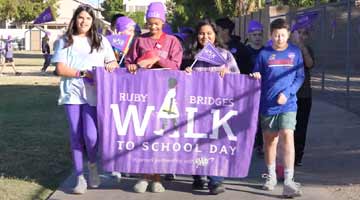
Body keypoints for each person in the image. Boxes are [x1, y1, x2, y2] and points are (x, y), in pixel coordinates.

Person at [51, 5, 118, 194]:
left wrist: (111, 65)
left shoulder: (101, 40)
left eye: (88, 18)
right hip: (72, 93)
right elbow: (60, 69)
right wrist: (83, 74)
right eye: (81, 17)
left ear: (93, 21)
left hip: (94, 95)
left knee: (91, 135)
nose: (84, 22)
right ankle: (80, 178)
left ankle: (92, 167)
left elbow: (110, 61)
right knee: (75, 134)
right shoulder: (65, 40)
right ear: (75, 19)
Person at [125, 2, 183, 193]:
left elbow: (176, 66)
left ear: (163, 21)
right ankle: (143, 176)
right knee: (143, 134)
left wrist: (157, 59)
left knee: (160, 136)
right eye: (150, 23)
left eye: (157, 22)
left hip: (165, 95)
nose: (153, 26)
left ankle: (157, 177)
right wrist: (131, 66)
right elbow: (129, 61)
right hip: (143, 95)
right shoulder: (140, 41)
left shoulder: (173, 41)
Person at [250, 18, 304, 198]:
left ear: (288, 35)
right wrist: (256, 75)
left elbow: (299, 77)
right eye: (276, 35)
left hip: (288, 104)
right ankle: (271, 175)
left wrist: (287, 93)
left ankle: (289, 180)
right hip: (267, 104)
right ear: (271, 35)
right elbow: (256, 74)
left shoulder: (295, 53)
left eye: (282, 35)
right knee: (270, 141)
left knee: (288, 136)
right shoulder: (264, 54)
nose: (279, 38)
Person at [184, 18, 239, 195]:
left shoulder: (225, 56)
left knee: (216, 143)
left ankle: (215, 180)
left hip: (219, 110)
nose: (205, 36)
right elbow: (179, 84)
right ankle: (199, 177)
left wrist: (228, 74)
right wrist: (186, 74)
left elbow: (238, 81)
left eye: (209, 33)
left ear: (215, 36)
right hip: (195, 109)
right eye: (201, 33)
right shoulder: (190, 56)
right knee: (196, 144)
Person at [291, 22, 315, 167]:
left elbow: (310, 64)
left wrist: (303, 49)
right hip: (288, 95)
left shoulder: (308, 49)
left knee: (301, 127)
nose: (301, 35)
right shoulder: (287, 49)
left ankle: (298, 156)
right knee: (288, 128)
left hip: (304, 95)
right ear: (292, 33)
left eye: (304, 33)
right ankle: (286, 156)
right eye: (298, 32)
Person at [245, 20, 265, 157]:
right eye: (254, 35)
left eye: (259, 35)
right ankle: (248, 142)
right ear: (249, 35)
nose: (257, 38)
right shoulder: (244, 51)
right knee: (249, 118)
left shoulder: (266, 51)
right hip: (247, 90)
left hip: (263, 90)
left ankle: (260, 144)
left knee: (261, 118)